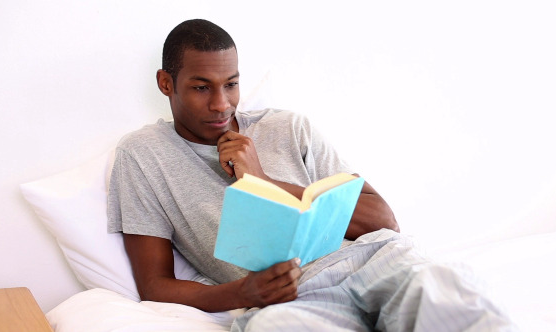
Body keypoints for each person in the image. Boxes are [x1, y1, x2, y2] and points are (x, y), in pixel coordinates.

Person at [108, 19, 517, 331]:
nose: (221, 104)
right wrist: (243, 294)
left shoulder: (287, 127)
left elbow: (384, 219)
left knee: (449, 299)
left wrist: (262, 181)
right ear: (166, 83)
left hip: (373, 259)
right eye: (202, 87)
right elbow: (154, 285)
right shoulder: (143, 156)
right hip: (286, 300)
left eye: (231, 85)